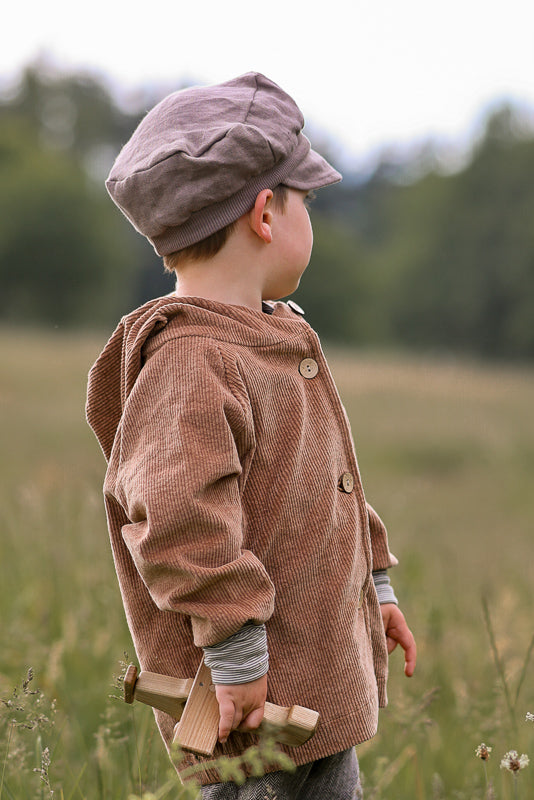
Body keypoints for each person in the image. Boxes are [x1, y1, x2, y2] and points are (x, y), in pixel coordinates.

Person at [86, 72, 416, 799]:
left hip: (316, 693)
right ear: (266, 213)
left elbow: (326, 482)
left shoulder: (275, 335)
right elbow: (179, 524)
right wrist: (235, 656)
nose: (309, 219)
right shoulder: (191, 363)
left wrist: (376, 584)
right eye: (307, 202)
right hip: (255, 714)